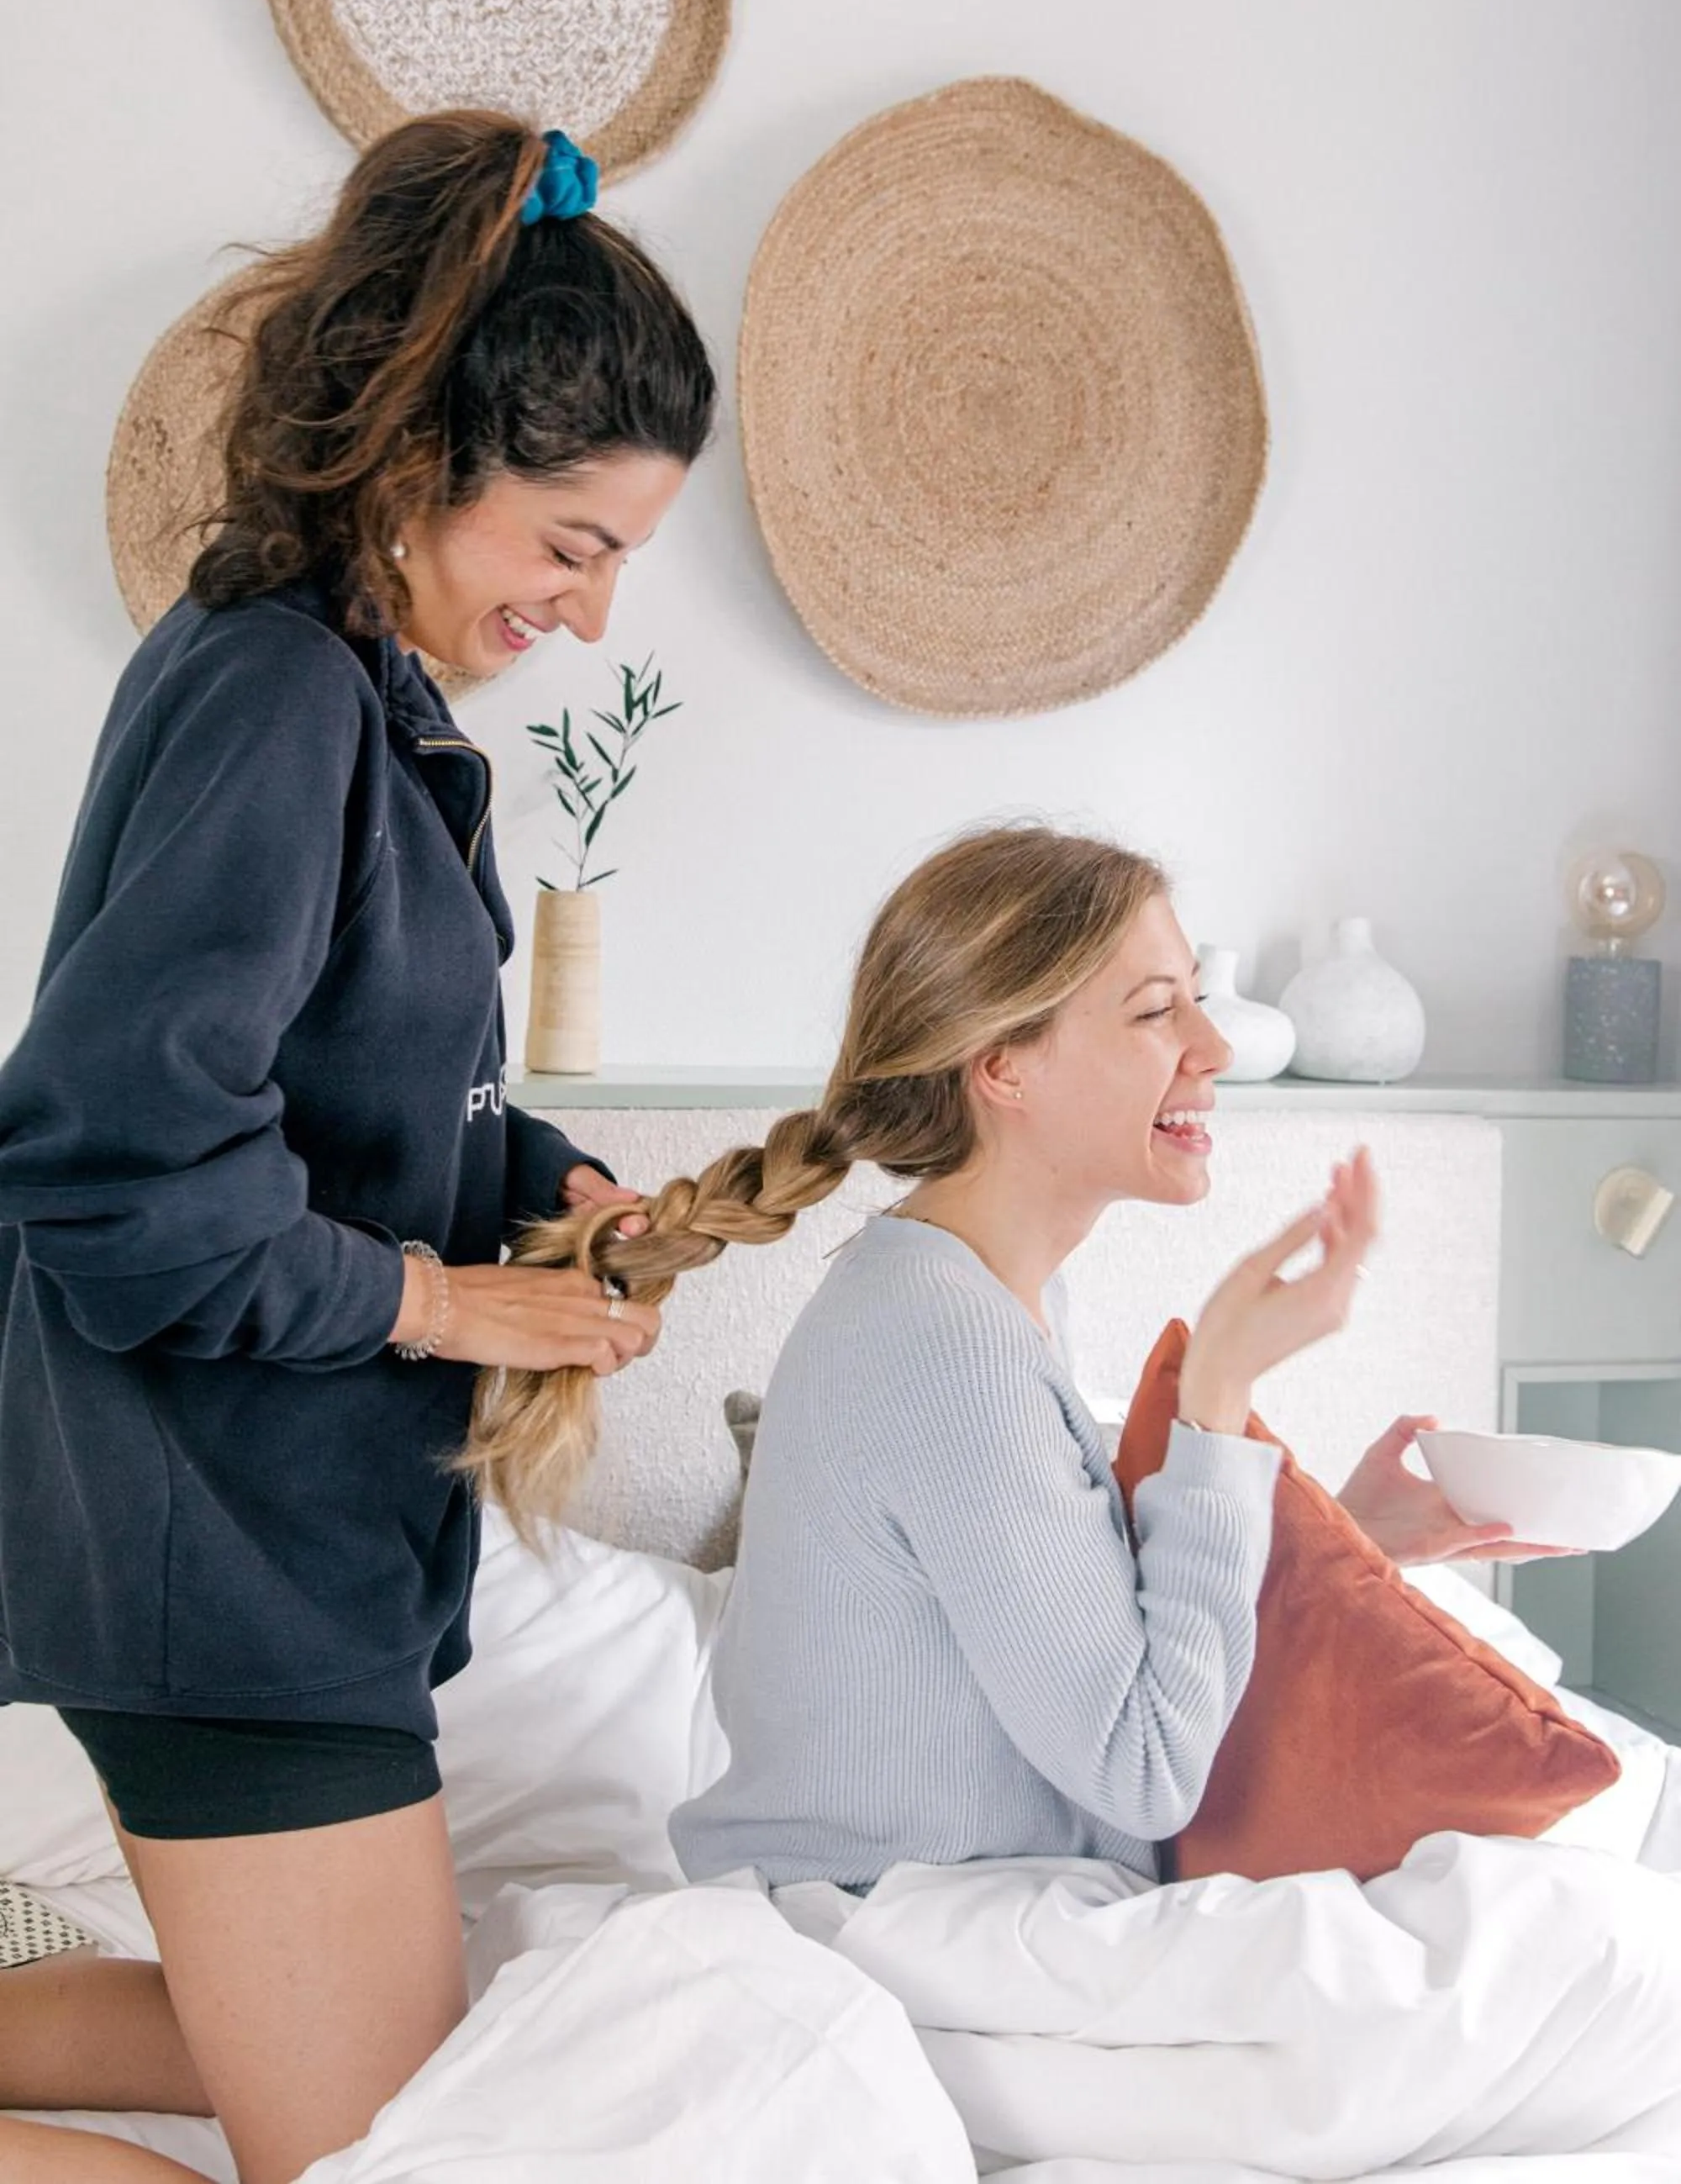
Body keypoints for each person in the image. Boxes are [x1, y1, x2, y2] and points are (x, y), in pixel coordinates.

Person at [0, 114, 714, 2183]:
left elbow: (350, 1093)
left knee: (378, 2081)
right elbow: (116, 1161)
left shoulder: (348, 702)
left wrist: (540, 1190)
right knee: (384, 2152)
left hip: (278, 1551)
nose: (584, 608)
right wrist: (435, 1293)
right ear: (421, 468)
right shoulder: (278, 700)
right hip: (211, 1548)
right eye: (568, 541)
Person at [514, 825, 1565, 1893]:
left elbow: (1087, 1635)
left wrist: (1349, 1542)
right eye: (1157, 1010)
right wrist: (1215, 1401)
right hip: (901, 1923)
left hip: (938, 1902)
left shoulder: (968, 1295)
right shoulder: (940, 1347)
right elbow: (1142, 1766)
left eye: (1194, 998)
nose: (1213, 1047)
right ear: (1004, 1067)